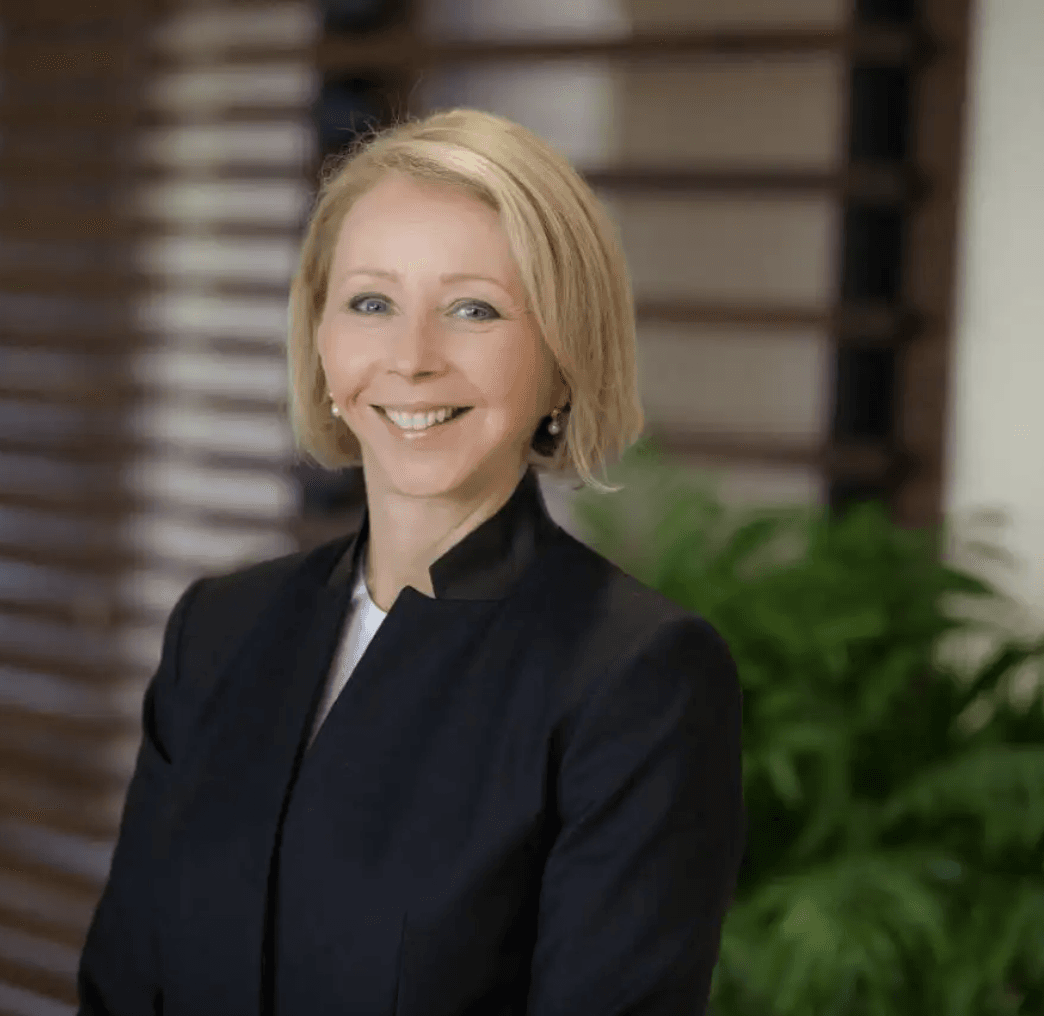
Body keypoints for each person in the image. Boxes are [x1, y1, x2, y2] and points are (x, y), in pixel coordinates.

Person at [77, 108, 745, 1016]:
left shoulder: (637, 679)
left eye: (473, 309)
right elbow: (122, 990)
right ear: (321, 339)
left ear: (563, 359)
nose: (412, 359)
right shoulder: (218, 630)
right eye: (371, 304)